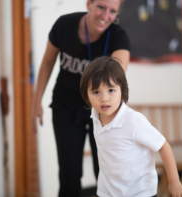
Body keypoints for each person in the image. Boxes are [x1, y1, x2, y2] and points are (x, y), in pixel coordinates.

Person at [31, 0, 130, 196]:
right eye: (101, 7)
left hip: (101, 112)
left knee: (104, 172)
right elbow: (48, 61)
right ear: (89, 4)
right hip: (65, 107)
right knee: (69, 175)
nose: (105, 16)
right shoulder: (64, 25)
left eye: (112, 11)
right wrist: (36, 101)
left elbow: (117, 74)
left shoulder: (119, 37)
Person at [80, 56, 182, 197]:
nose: (104, 98)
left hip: (140, 192)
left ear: (122, 90)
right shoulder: (95, 115)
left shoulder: (133, 121)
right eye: (96, 92)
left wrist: (174, 182)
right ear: (87, 95)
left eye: (111, 90)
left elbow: (163, 146)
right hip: (108, 191)